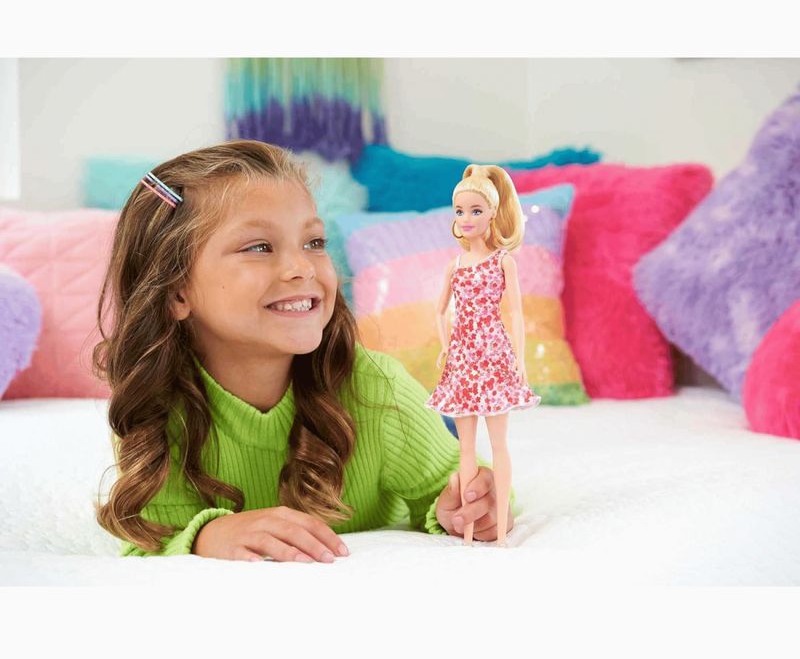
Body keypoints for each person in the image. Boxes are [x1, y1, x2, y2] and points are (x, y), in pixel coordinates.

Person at [93, 140, 514, 562]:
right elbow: (150, 541)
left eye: (314, 242)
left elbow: (466, 487)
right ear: (176, 292)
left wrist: (471, 506)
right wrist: (206, 536)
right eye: (259, 247)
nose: (303, 267)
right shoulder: (156, 408)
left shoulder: (377, 388)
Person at [425, 165, 540, 546]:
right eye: (460, 211)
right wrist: (446, 345)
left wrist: (520, 358)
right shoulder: (455, 265)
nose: (466, 218)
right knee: (466, 447)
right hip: (462, 359)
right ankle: (469, 531)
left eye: (475, 210)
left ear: (492, 213)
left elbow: (517, 313)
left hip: (493, 355)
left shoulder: (503, 261)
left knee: (499, 443)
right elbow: (440, 310)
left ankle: (502, 527)